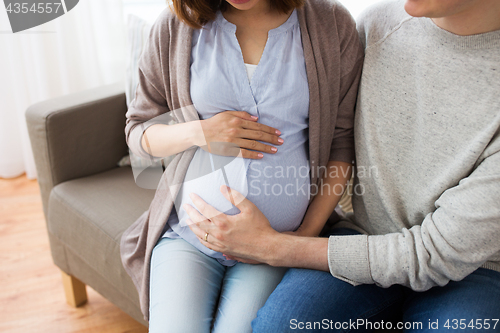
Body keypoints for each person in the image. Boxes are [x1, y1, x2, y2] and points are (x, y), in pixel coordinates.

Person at [185, 0, 500, 331]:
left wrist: (274, 247)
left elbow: (430, 256)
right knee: (277, 326)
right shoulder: (375, 26)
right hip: (363, 234)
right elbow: (330, 132)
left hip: (471, 270)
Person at [119, 0, 364, 331]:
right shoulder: (176, 27)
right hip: (190, 235)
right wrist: (199, 132)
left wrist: (297, 242)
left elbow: (341, 142)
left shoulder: (331, 24)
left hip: (276, 244)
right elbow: (139, 131)